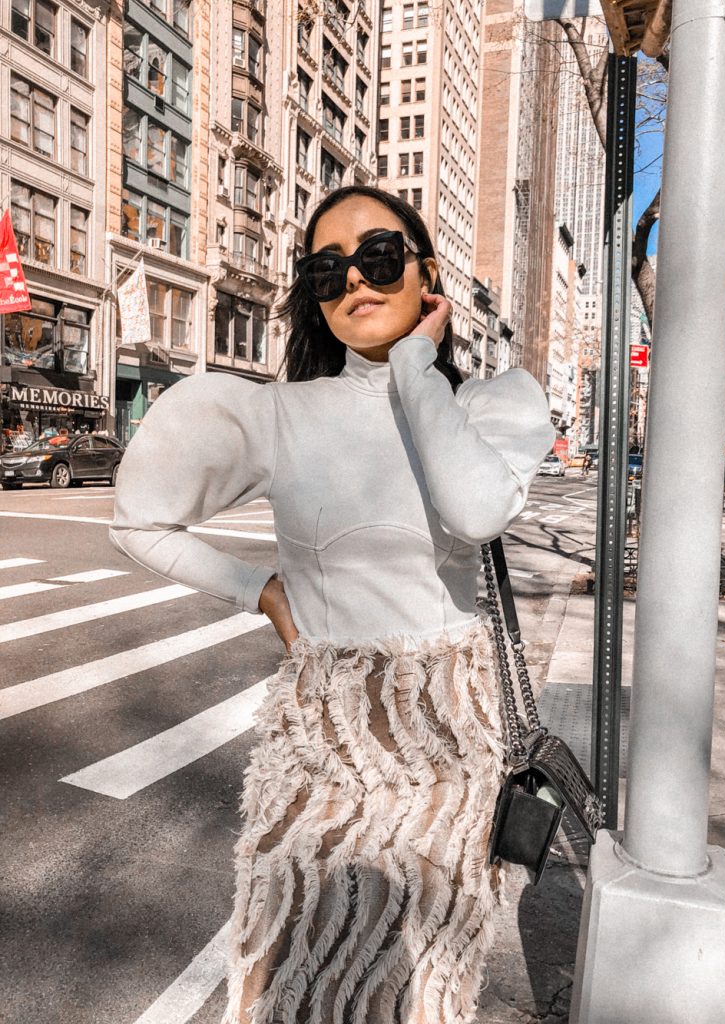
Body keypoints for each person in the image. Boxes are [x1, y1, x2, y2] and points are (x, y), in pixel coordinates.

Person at [110, 185, 554, 1024]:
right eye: (327, 269)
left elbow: (475, 510)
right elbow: (139, 521)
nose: (355, 279)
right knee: (288, 974)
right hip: (322, 737)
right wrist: (257, 590)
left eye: (379, 257)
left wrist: (419, 366)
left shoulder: (490, 404)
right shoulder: (276, 413)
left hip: (449, 742)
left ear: (425, 268)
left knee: (421, 991)